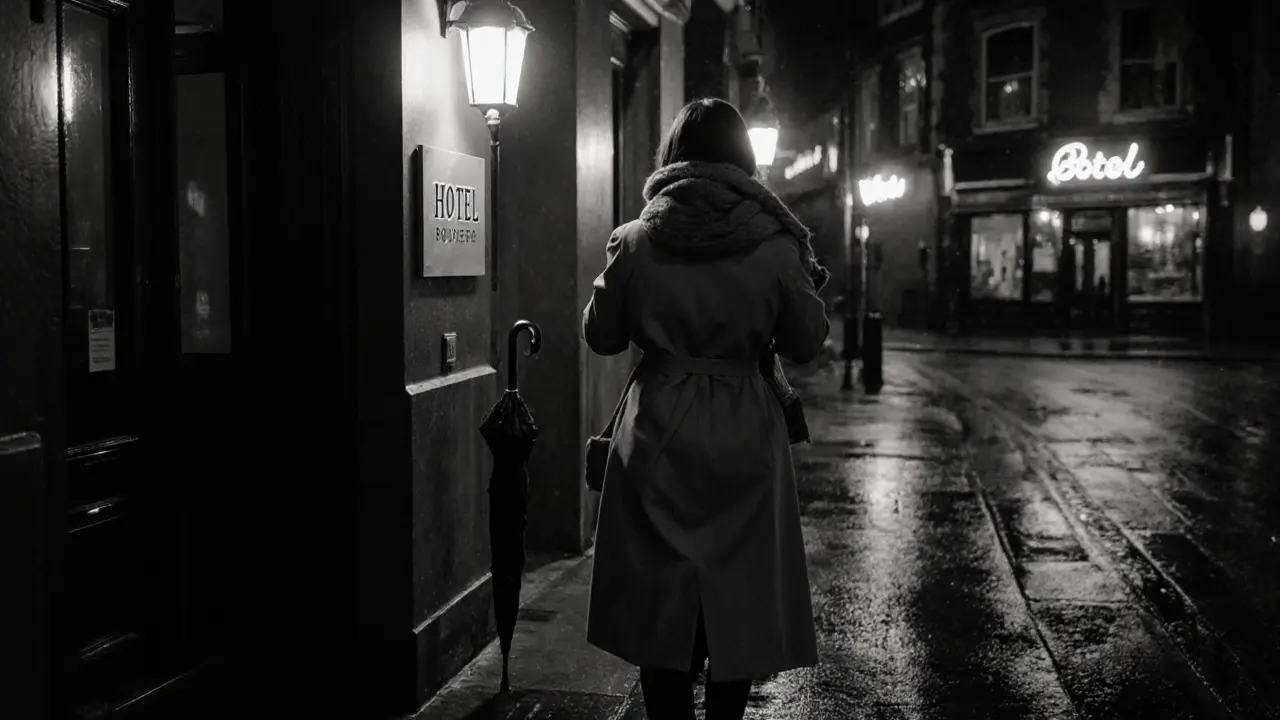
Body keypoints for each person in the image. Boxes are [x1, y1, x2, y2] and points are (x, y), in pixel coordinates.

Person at [582, 98, 829, 720]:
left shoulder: (636, 240)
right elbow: (806, 342)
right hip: (745, 426)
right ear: (745, 160)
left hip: (658, 426)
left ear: (673, 157)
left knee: (659, 596)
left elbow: (602, 335)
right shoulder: (774, 246)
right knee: (738, 599)